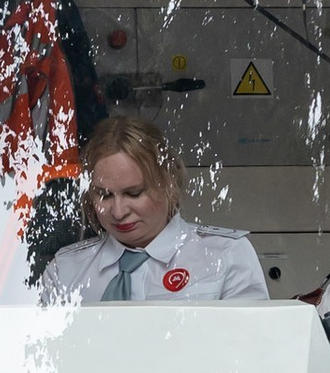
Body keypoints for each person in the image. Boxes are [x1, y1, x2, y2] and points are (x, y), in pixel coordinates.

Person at [36, 123, 269, 306]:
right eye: (104, 196)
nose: (118, 212)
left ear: (168, 184)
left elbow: (251, 353)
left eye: (134, 193)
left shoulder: (225, 255)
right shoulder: (66, 270)